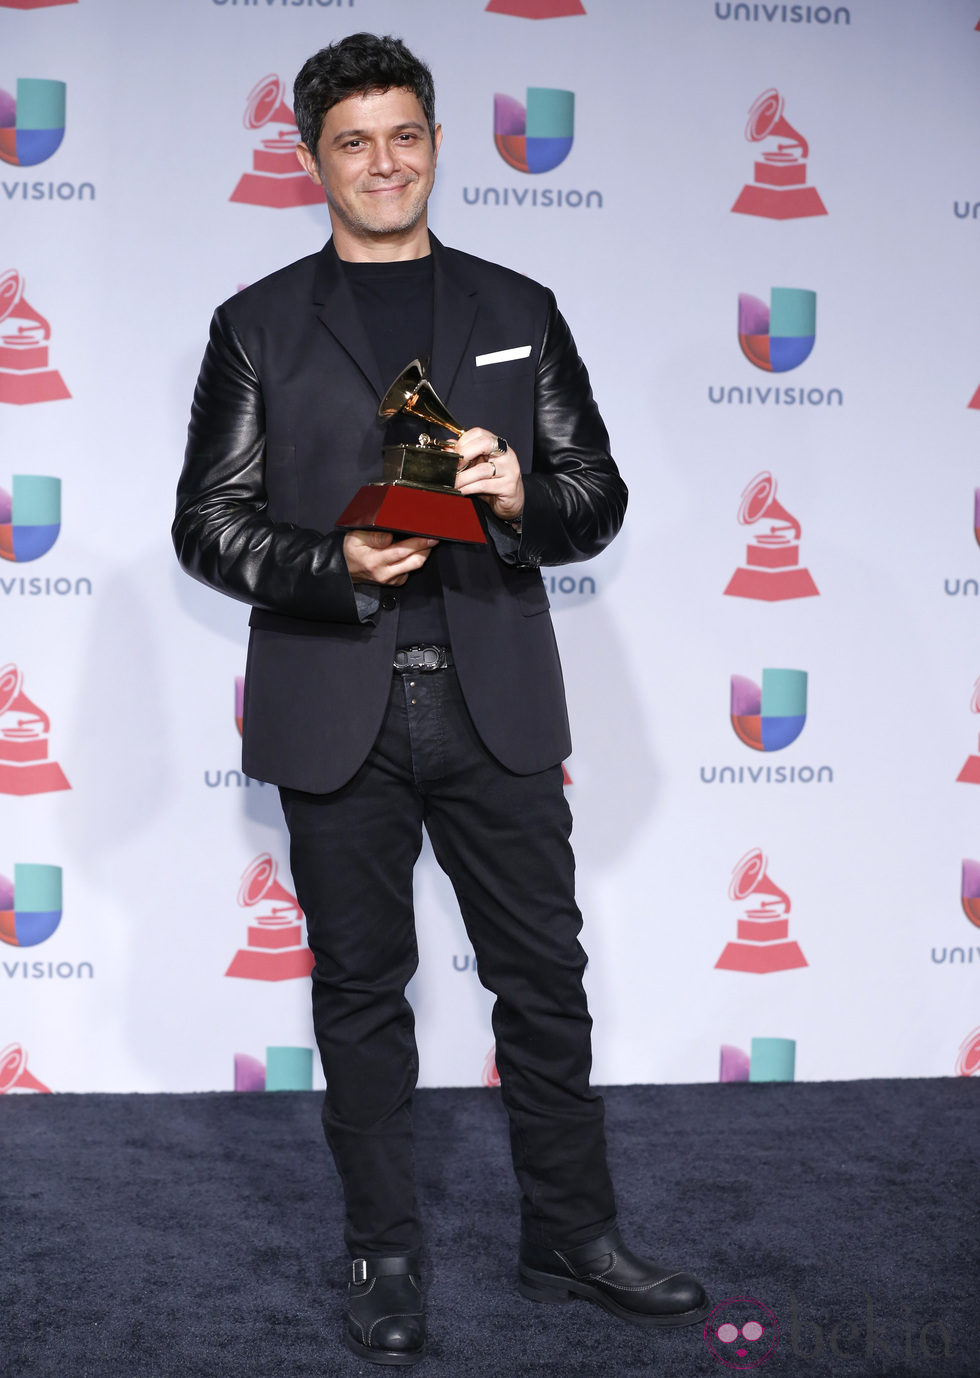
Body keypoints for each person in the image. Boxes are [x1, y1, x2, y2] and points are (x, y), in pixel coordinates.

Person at [173, 32, 709, 1367]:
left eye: (404, 134)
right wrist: (330, 561)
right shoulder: (254, 324)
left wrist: (522, 489)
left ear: (436, 143)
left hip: (495, 694)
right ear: (311, 161)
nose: (382, 161)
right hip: (331, 698)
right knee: (362, 993)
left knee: (543, 978)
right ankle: (385, 1255)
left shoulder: (516, 304)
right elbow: (206, 525)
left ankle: (572, 1234)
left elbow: (599, 498)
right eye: (352, 141)